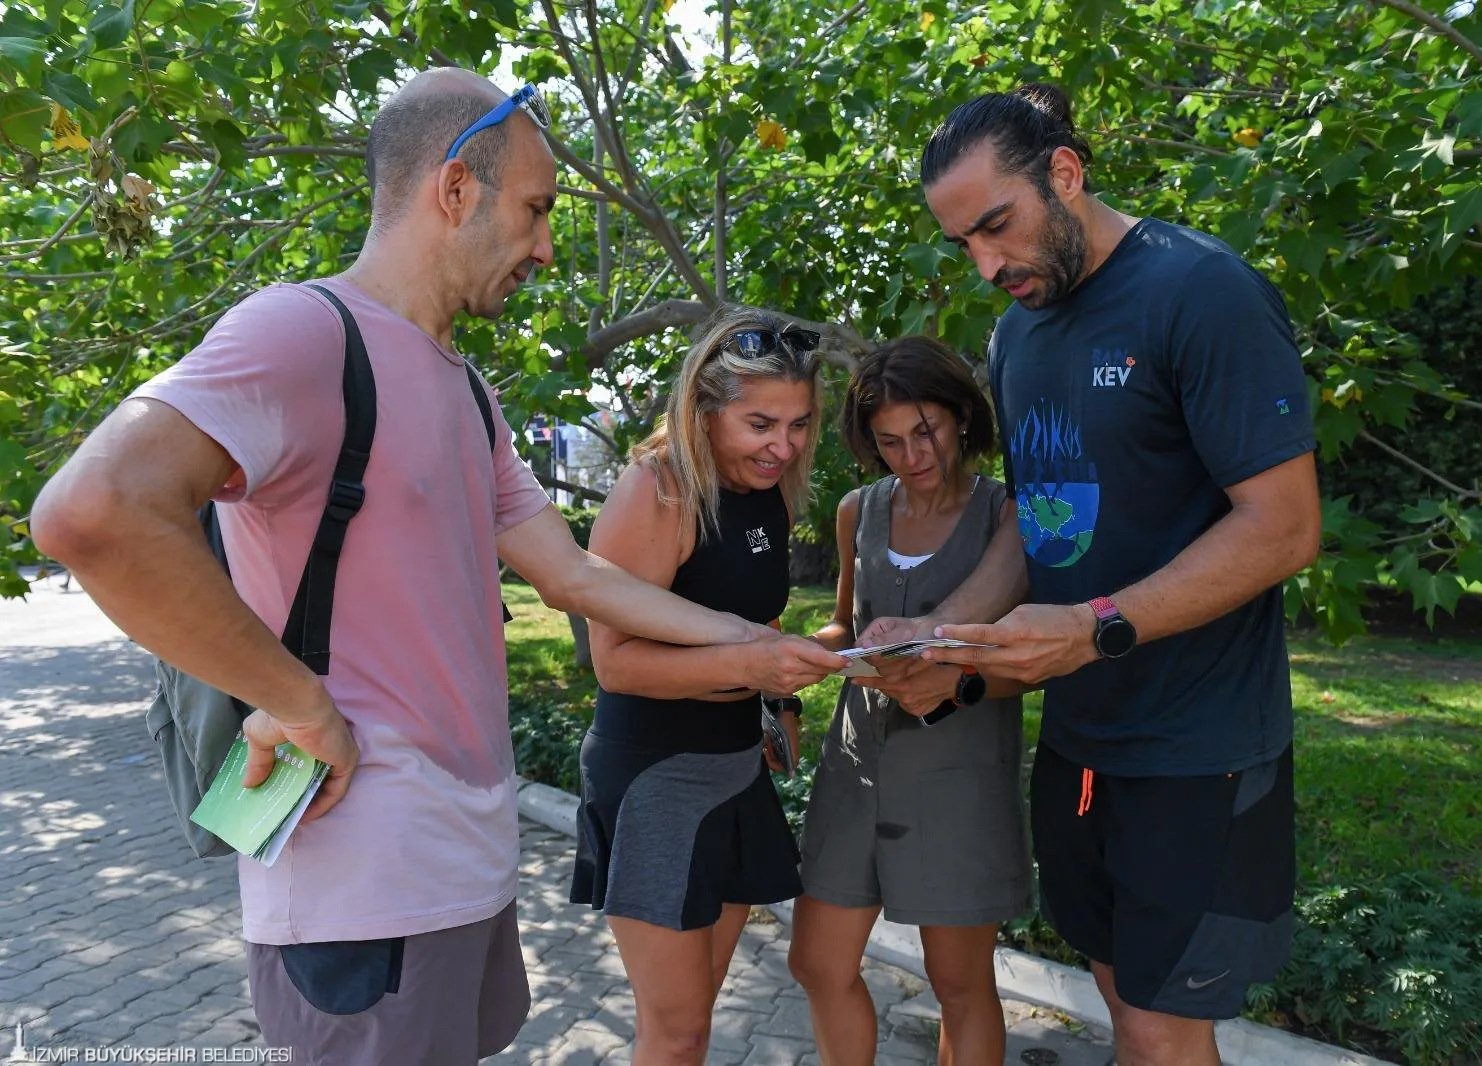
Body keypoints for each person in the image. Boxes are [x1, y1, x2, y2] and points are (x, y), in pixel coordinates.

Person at [29, 69, 831, 1066]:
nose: (545, 246)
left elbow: (575, 580)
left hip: (465, 862)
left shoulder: (468, 390)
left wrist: (761, 645)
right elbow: (90, 511)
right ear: (455, 189)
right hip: (360, 876)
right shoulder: (303, 332)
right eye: (536, 210)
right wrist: (296, 700)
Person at [868, 84, 1323, 1066]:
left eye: (997, 226)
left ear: (1064, 175)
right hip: (1082, 740)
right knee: (1127, 1014)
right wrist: (938, 631)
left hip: (1199, 747)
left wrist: (1092, 627)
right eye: (964, 245)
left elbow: (1283, 529)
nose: (987, 265)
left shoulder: (1202, 291)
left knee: (1164, 1035)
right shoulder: (1017, 333)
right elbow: (1043, 530)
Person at [570, 306, 847, 1066]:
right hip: (658, 773)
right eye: (760, 423)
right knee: (677, 1032)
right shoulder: (656, 489)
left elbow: (751, 624)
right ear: (703, 407)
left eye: (797, 424)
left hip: (734, 765)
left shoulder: (769, 487)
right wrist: (751, 667)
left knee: (698, 1012)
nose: (782, 445)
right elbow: (615, 663)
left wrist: (781, 690)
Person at [787, 337, 1029, 1066]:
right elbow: (845, 620)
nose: (910, 455)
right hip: (853, 768)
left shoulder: (1008, 517)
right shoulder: (858, 509)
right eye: (888, 441)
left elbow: (1034, 656)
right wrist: (808, 650)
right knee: (817, 964)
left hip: (959, 777)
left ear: (960, 418)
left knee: (959, 985)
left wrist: (953, 668)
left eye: (925, 432)